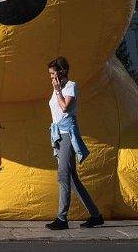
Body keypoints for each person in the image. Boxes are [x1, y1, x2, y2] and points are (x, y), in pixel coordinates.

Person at [45, 56, 103, 230]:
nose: (50, 77)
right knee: (72, 179)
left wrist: (57, 90)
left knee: (63, 175)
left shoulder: (71, 87)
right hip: (58, 135)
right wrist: (56, 89)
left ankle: (62, 219)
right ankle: (95, 215)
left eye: (52, 74)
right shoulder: (59, 88)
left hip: (67, 135)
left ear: (61, 73)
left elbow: (65, 108)